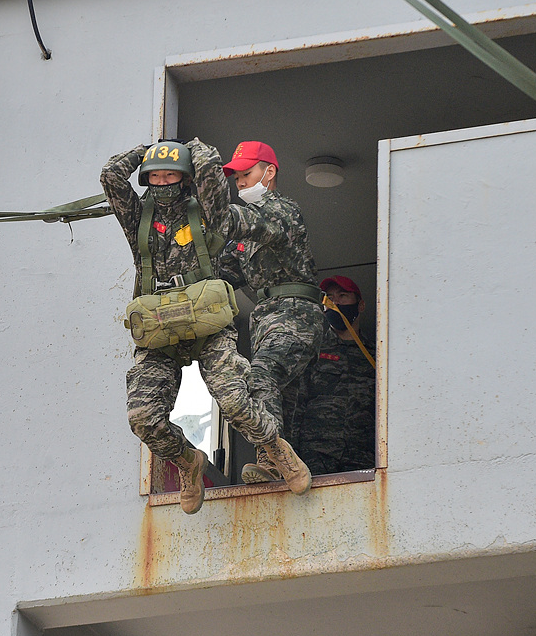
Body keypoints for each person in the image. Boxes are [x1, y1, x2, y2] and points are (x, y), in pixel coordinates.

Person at [100, 138, 310, 514]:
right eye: (155, 177)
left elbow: (213, 177)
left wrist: (193, 148)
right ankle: (187, 461)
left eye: (171, 175)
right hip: (159, 331)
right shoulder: (138, 219)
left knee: (234, 401)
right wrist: (147, 149)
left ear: (184, 179)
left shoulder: (206, 213)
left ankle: (277, 448)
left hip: (209, 327)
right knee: (142, 417)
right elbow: (112, 176)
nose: (163, 183)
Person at [220, 141, 326, 487]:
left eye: (246, 174)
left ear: (269, 172)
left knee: (260, 376)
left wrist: (213, 213)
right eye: (236, 179)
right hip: (266, 319)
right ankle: (287, 466)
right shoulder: (242, 236)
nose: (241, 184)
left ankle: (269, 457)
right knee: (288, 405)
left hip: (296, 314)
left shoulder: (282, 212)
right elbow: (220, 278)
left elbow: (256, 226)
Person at [296, 275, 376, 475]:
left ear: (361, 305)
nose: (335, 302)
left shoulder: (378, 355)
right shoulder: (313, 351)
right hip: (316, 454)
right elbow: (296, 404)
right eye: (330, 297)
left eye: (343, 296)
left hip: (363, 456)